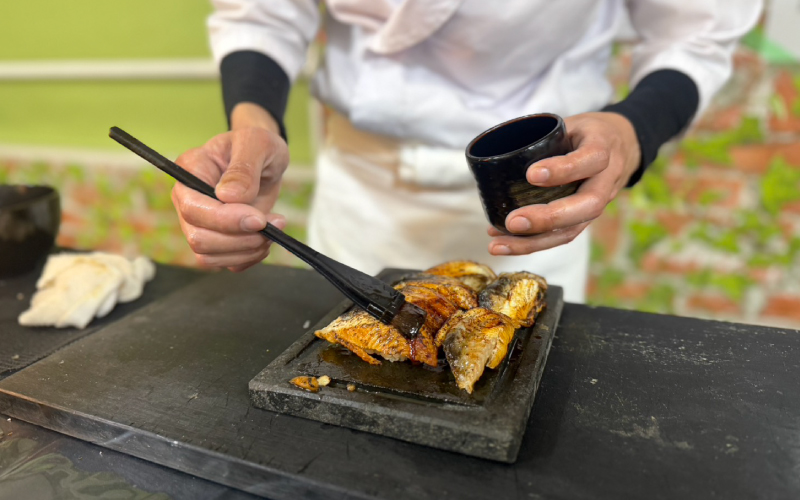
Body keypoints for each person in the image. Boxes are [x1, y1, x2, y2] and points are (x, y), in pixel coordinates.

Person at [171, 0, 762, 303]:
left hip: (539, 188)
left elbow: (696, 28)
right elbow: (263, 13)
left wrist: (633, 131)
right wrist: (254, 121)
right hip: (362, 191)